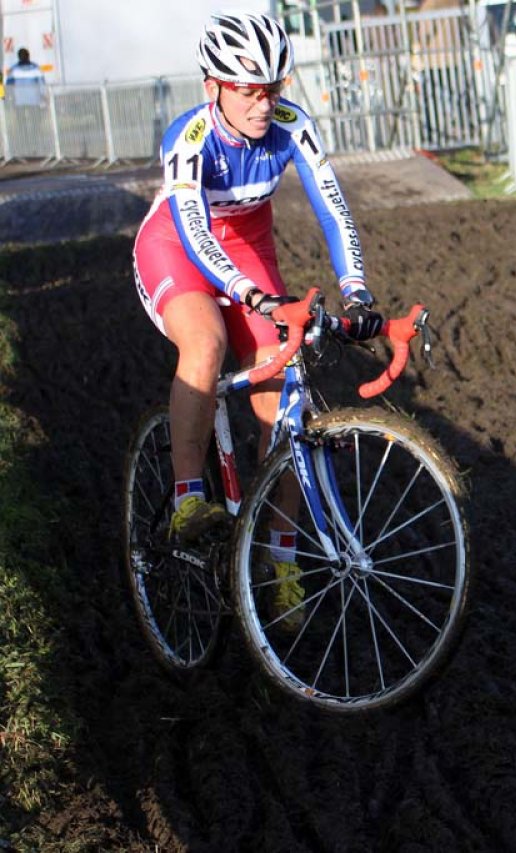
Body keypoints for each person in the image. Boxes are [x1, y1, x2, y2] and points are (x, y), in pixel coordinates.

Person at [132, 12, 384, 628]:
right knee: (206, 342)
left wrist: (357, 291)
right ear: (212, 86)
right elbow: (194, 230)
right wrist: (253, 296)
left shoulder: (294, 126)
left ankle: (280, 555)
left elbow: (332, 207)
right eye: (248, 89)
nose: (263, 102)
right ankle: (189, 499)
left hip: (249, 249)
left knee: (288, 390)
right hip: (179, 250)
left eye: (272, 87)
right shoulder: (188, 138)